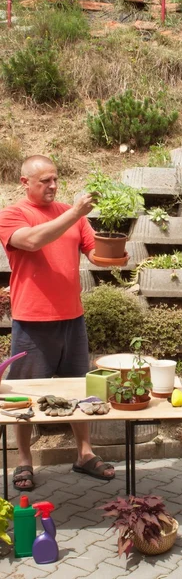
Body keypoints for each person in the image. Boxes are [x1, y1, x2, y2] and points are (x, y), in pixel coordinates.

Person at [0, 155, 115, 491]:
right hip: (31, 321)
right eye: (44, 181)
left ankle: (84, 453)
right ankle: (23, 460)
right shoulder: (12, 215)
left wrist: (114, 254)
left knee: (81, 389)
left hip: (72, 318)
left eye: (55, 179)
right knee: (24, 396)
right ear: (24, 183)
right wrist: (75, 213)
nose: (52, 186)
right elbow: (33, 241)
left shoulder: (71, 214)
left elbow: (94, 252)